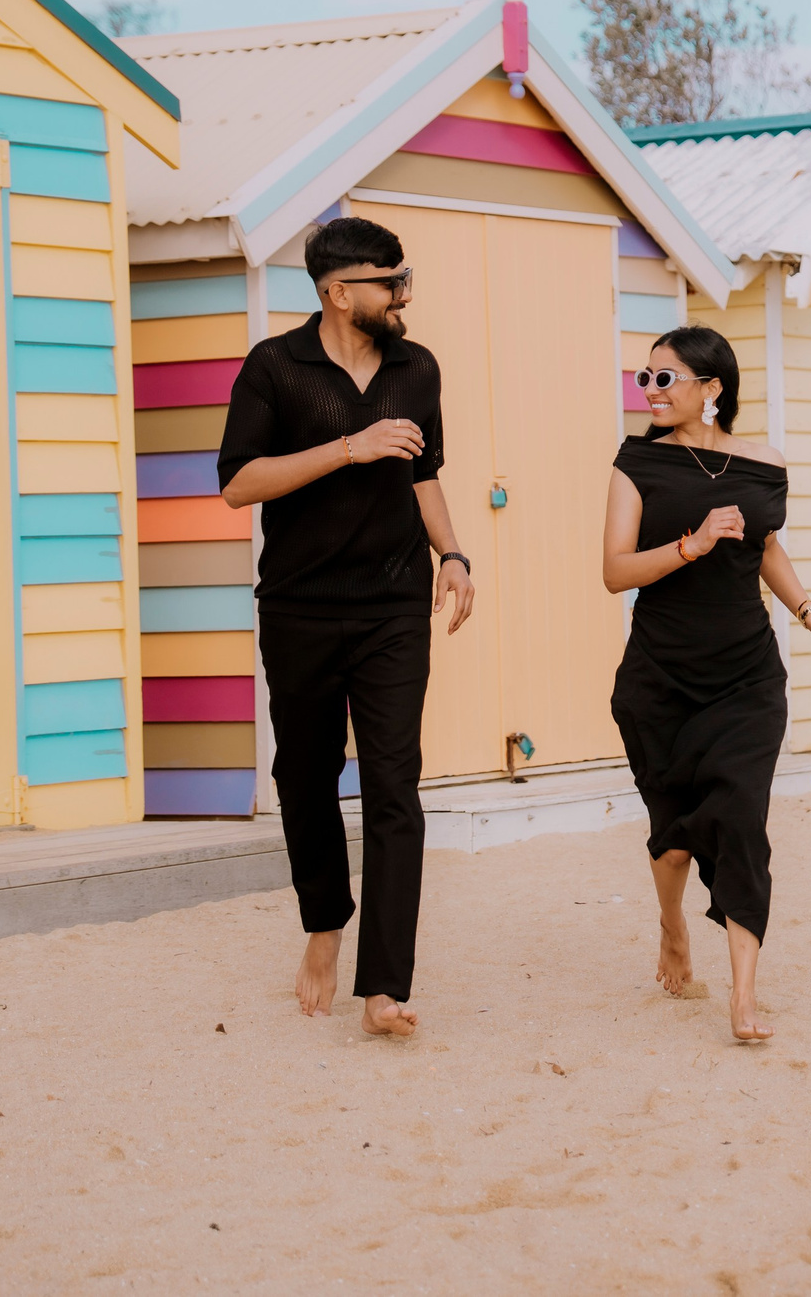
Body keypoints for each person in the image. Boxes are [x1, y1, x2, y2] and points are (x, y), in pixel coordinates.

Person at [218, 216, 476, 1038]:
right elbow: (238, 484)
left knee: (396, 786)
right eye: (389, 282)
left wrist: (454, 554)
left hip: (394, 604)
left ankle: (385, 984)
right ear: (337, 292)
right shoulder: (274, 367)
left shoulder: (417, 367)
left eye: (406, 279)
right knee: (305, 774)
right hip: (297, 604)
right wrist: (349, 447)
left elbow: (425, 472)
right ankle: (325, 925)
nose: (405, 294)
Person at [603, 325, 811, 1044]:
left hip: (745, 676)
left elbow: (766, 548)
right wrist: (691, 543)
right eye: (643, 378)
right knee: (675, 838)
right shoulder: (635, 462)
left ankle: (744, 996)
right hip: (660, 677)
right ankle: (671, 925)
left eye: (664, 378)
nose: (649, 391)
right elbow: (614, 571)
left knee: (742, 819)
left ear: (710, 388)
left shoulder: (764, 464)